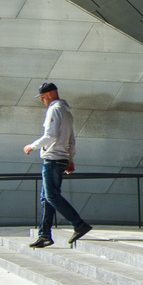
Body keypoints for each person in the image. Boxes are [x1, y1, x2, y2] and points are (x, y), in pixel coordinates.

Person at [24, 81, 91, 247]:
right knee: (46, 199)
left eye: (42, 97)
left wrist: (31, 146)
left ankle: (78, 224)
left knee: (51, 196)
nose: (42, 101)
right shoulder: (67, 112)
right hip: (60, 159)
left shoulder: (54, 109)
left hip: (52, 159)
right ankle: (45, 235)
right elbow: (71, 139)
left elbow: (50, 136)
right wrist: (70, 159)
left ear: (49, 94)